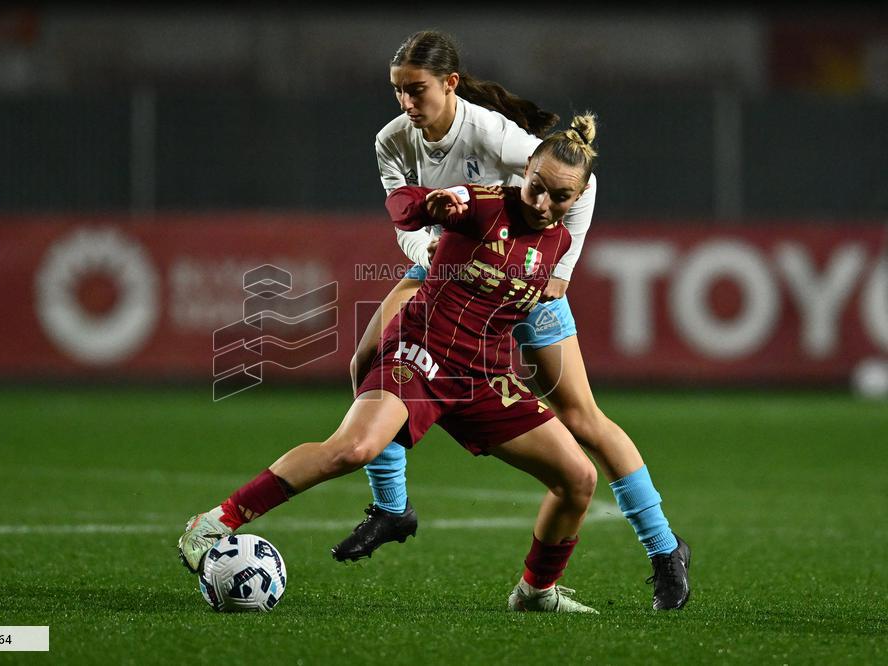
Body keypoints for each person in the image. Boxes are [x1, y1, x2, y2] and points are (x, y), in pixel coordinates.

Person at [179, 122, 607, 613]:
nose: (544, 203)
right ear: (524, 170)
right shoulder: (484, 204)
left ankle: (535, 592)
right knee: (354, 447)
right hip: (419, 353)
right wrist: (431, 206)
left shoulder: (558, 243)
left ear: (578, 196)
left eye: (561, 196)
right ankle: (216, 521)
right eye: (537, 187)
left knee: (579, 479)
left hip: (483, 376)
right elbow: (401, 206)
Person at [334, 29, 690, 611]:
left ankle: (663, 548)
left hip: (530, 280)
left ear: (448, 84)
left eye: (415, 89)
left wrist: (563, 269)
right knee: (366, 360)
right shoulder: (392, 140)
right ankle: (392, 508)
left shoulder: (490, 132)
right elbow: (404, 223)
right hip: (450, 275)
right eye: (397, 90)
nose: (404, 102)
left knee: (583, 418)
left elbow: (581, 180)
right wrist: (429, 255)